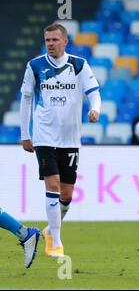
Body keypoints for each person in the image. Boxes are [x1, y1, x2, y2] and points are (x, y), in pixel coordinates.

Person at [20, 23, 101, 258]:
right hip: (44, 136)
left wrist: (95, 109)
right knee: (52, 185)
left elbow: (93, 92)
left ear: (65, 41)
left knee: (67, 194)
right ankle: (56, 241)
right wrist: (25, 134)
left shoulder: (78, 65)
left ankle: (49, 230)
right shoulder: (35, 66)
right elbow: (26, 100)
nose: (51, 44)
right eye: (47, 40)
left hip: (71, 139)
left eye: (55, 40)